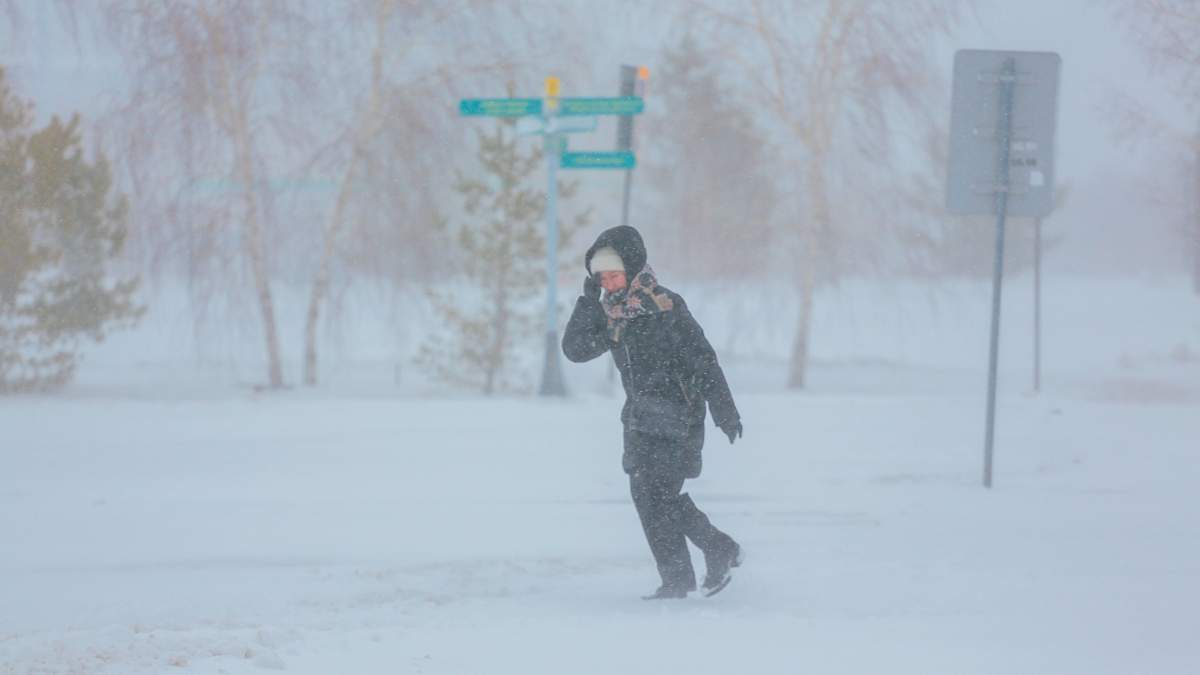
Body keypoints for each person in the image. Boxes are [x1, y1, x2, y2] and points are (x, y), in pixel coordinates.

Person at [562, 225, 744, 599]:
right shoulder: (610, 315)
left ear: (632, 268)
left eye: (615, 275)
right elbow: (575, 350)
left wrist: (724, 410)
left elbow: (703, 359)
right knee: (647, 498)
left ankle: (714, 550)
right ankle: (682, 575)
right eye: (602, 278)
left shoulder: (665, 305)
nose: (610, 283)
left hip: (678, 414)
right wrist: (586, 304)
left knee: (658, 495)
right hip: (640, 417)